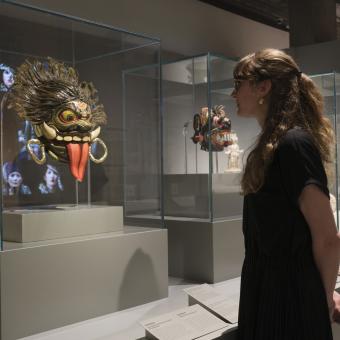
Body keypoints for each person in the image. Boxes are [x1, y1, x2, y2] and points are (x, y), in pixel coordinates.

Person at [232, 48, 340, 340]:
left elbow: (328, 238)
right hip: (268, 288)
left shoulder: (293, 144)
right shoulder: (272, 146)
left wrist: (323, 299)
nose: (233, 93)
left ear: (263, 87)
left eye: (238, 83)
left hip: (289, 297)